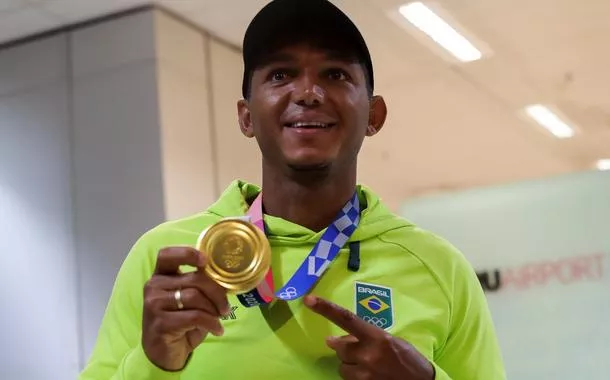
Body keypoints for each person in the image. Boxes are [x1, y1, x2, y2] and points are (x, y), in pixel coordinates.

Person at [79, 0, 506, 379]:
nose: (307, 92)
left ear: (374, 115)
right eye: (281, 74)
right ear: (246, 116)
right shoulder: (168, 260)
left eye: (335, 74)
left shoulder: (439, 267)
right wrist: (153, 363)